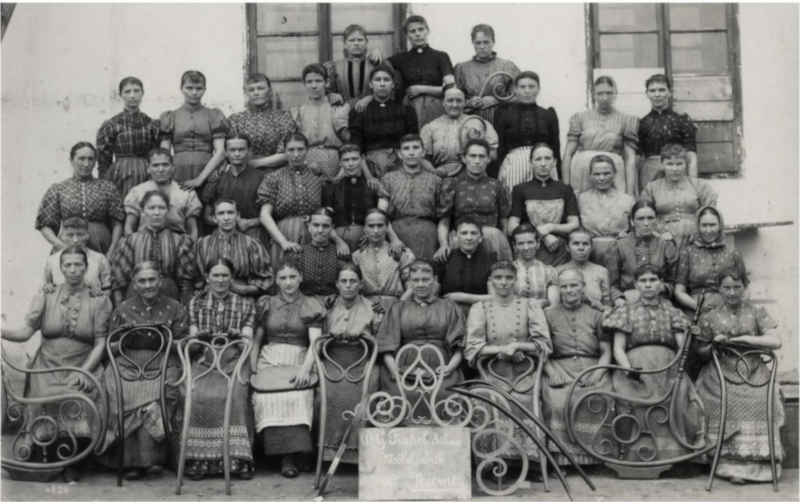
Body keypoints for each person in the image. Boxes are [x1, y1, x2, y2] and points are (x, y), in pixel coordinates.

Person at [1, 246, 111, 483]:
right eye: (67, 265)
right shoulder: (46, 295)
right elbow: (25, 332)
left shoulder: (99, 300)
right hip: (47, 363)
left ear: (86, 267)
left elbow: (100, 343)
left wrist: (84, 371)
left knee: (80, 396)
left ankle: (74, 462)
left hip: (83, 362)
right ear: (60, 268)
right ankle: (48, 456)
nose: (72, 270)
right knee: (44, 397)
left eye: (78, 264)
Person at [96, 262, 189, 480]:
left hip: (163, 361)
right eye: (142, 281)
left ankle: (151, 460)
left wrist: (166, 339)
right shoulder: (122, 310)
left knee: (161, 392)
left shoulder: (175, 307)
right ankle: (130, 462)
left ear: (160, 280)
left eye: (152, 280)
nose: (148, 285)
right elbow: (109, 347)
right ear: (135, 284)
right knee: (118, 390)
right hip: (128, 362)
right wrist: (125, 341)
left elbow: (184, 345)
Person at [603, 265, 705, 463]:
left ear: (660, 284)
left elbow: (681, 348)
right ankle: (636, 457)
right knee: (631, 402)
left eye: (653, 280)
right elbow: (618, 348)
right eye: (643, 281)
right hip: (635, 368)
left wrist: (689, 336)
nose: (648, 285)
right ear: (635, 285)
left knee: (677, 398)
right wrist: (628, 370)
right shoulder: (625, 312)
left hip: (667, 368)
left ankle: (671, 456)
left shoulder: (672, 312)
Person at [694, 267, 785, 484]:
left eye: (737, 287)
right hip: (721, 370)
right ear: (719, 289)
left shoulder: (757, 312)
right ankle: (727, 465)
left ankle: (760, 466)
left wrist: (742, 339)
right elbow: (701, 353)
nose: (732, 293)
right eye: (727, 288)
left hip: (754, 370)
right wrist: (714, 344)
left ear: (745, 287)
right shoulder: (710, 317)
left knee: (763, 398)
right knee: (719, 399)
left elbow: (775, 341)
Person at [174, 258, 256, 480]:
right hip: (205, 360)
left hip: (234, 359)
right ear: (207, 278)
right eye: (216, 275)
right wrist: (199, 338)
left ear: (231, 277)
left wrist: (237, 336)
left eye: (225, 275)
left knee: (236, 393)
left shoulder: (245, 304)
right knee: (194, 392)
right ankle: (199, 460)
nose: (220, 280)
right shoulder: (196, 303)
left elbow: (247, 344)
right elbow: (191, 343)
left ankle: (237, 461)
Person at [464, 261, 551, 461]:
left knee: (529, 400)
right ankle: (492, 462)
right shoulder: (480, 308)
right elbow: (473, 347)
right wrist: (502, 350)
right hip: (490, 372)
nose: (503, 282)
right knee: (483, 401)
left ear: (515, 280)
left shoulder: (530, 305)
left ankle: (531, 461)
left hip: (525, 371)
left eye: (509, 278)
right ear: (490, 281)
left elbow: (544, 343)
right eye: (498, 278)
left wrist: (519, 347)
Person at [250, 258, 326, 478]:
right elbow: (257, 340)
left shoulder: (311, 304)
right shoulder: (267, 303)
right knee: (266, 398)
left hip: (300, 358)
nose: (288, 282)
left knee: (300, 396)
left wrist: (304, 370)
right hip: (270, 359)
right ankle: (284, 456)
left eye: (292, 277)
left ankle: (301, 452)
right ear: (276, 280)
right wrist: (253, 368)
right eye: (283, 278)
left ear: (300, 277)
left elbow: (315, 343)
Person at [375, 260, 465, 423]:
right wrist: (393, 370)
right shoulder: (398, 308)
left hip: (442, 369)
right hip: (404, 369)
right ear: (409, 282)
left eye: (425, 279)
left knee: (445, 395)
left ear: (435, 280)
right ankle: (405, 445)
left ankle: (446, 445)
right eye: (415, 280)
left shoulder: (449, 307)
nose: (421, 284)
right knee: (398, 396)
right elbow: (386, 346)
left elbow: (460, 346)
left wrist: (449, 368)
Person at [541, 268, 615, 466]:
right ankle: (562, 460)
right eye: (564, 287)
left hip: (593, 366)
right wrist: (550, 372)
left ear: (583, 287)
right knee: (557, 402)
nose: (569, 290)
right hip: (559, 366)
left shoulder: (597, 315)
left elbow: (606, 351)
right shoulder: (547, 315)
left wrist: (599, 373)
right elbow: (542, 350)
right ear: (558, 290)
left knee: (601, 397)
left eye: (574, 285)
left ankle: (597, 459)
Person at [317, 263, 382, 464]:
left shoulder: (373, 308)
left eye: (353, 281)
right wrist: (330, 335)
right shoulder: (325, 307)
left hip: (363, 362)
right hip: (332, 362)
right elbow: (316, 338)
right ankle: (327, 453)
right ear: (336, 284)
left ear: (360, 283)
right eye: (343, 281)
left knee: (365, 391)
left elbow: (381, 340)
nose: (348, 286)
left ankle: (359, 454)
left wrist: (365, 336)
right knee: (326, 393)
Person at [257, 132, 350, 266]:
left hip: (314, 234)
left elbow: (326, 212)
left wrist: (337, 240)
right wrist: (283, 241)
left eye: (300, 149)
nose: (296, 155)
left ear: (307, 150)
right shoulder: (274, 177)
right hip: (284, 234)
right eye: (291, 150)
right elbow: (264, 215)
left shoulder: (317, 177)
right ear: (285, 151)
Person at [36, 141, 125, 256]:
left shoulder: (107, 187)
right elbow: (44, 224)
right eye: (81, 158)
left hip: (102, 247)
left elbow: (117, 223)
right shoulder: (58, 189)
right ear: (71, 161)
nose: (86, 164)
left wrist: (112, 250)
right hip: (68, 245)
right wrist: (61, 246)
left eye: (91, 159)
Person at [110, 191, 196, 307]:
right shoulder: (130, 241)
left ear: (167, 211)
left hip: (169, 299)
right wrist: (120, 311)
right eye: (151, 208)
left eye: (161, 208)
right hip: (135, 300)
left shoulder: (180, 241)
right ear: (142, 211)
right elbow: (119, 282)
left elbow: (186, 284)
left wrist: (183, 312)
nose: (156, 213)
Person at [436, 138, 512, 261]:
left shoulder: (497, 186)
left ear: (488, 159)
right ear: (464, 159)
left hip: (492, 241)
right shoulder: (452, 185)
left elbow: (504, 224)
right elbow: (444, 222)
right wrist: (444, 244)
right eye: (472, 156)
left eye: (482, 156)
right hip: (461, 241)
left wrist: (505, 246)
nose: (477, 161)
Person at [562, 76, 638, 195]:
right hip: (582, 172)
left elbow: (630, 158)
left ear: (615, 93)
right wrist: (565, 188)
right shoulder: (580, 117)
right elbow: (568, 154)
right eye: (600, 93)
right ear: (593, 94)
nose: (605, 98)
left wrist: (630, 191)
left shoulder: (627, 120)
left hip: (613, 173)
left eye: (609, 93)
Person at [321, 144, 403, 253]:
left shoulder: (372, 187)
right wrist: (338, 242)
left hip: (369, 240)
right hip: (339, 240)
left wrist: (387, 237)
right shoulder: (331, 188)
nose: (351, 164)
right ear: (340, 162)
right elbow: (326, 219)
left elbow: (382, 216)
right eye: (346, 160)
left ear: (362, 159)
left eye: (355, 159)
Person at [508, 143, 579, 266]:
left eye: (547, 158)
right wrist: (541, 236)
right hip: (530, 248)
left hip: (559, 250)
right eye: (538, 159)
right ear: (530, 163)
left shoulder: (565, 189)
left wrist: (551, 227)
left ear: (555, 162)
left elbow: (574, 225)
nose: (543, 164)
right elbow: (511, 227)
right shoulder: (520, 189)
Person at [641, 143, 718, 253]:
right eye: (669, 164)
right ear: (662, 165)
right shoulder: (652, 188)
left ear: (685, 164)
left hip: (694, 237)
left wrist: (699, 233)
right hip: (663, 239)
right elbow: (643, 217)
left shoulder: (699, 186)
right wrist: (658, 235)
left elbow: (710, 214)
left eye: (679, 164)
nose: (675, 169)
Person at [159, 71, 229, 190]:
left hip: (209, 172)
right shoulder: (170, 117)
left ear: (204, 89)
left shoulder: (214, 115)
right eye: (189, 88)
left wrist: (200, 179)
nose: (194, 93)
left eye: (199, 88)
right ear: (181, 89)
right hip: (178, 172)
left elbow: (221, 152)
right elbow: (164, 153)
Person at [377, 134, 443, 261]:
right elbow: (381, 214)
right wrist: (393, 238)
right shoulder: (389, 179)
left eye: (416, 148)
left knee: (428, 271)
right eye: (406, 148)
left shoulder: (436, 180)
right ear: (400, 154)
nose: (411, 152)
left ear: (423, 152)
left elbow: (443, 217)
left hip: (428, 234)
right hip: (397, 232)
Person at [349, 64, 420, 179]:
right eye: (377, 80)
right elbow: (356, 147)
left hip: (401, 166)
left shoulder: (404, 111)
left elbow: (412, 143)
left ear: (393, 84)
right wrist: (369, 177)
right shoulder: (360, 112)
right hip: (369, 168)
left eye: (386, 80)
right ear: (371, 84)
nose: (382, 84)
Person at [96, 77, 162, 199]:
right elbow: (104, 159)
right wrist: (103, 184)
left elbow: (156, 153)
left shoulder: (152, 123)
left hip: (146, 173)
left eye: (136, 91)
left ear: (143, 93)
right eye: (127, 91)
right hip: (120, 173)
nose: (132, 96)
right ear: (120, 95)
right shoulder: (112, 124)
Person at [201, 133, 270, 249]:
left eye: (241, 149)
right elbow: (206, 217)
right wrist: (227, 223)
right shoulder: (217, 180)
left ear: (248, 151)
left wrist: (249, 223)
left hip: (252, 230)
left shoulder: (262, 178)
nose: (237, 154)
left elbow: (272, 214)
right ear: (226, 153)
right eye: (232, 150)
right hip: (223, 231)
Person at [675, 206, 746, 315]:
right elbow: (679, 291)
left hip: (729, 310)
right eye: (704, 225)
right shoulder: (687, 253)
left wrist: (732, 305)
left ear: (720, 226)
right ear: (698, 226)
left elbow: (746, 289)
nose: (708, 230)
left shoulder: (733, 253)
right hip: (696, 311)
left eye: (712, 225)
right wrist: (697, 306)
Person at [195, 199, 273, 298]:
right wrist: (200, 290)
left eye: (230, 213)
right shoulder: (202, 244)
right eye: (221, 213)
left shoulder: (251, 244)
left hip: (242, 300)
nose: (226, 218)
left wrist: (243, 290)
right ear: (214, 218)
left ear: (238, 216)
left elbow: (265, 281)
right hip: (210, 299)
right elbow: (195, 280)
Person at [387, 15, 455, 128]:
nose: (417, 34)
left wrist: (422, 89)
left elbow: (450, 87)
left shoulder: (441, 56)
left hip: (436, 108)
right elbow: (381, 68)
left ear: (427, 31)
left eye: (421, 29)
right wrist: (375, 52)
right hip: (410, 109)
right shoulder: (401, 58)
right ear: (407, 35)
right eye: (412, 31)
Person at [605, 200, 679, 305]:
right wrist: (618, 298)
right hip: (629, 300)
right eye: (640, 219)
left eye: (650, 218)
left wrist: (657, 287)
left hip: (658, 300)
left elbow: (672, 282)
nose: (646, 223)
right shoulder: (619, 246)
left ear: (657, 220)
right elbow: (613, 284)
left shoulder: (666, 246)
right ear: (632, 221)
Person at [496, 72, 561, 192]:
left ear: (538, 89)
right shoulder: (505, 115)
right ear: (516, 89)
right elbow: (501, 148)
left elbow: (555, 147)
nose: (527, 91)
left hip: (544, 164)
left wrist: (560, 178)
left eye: (531, 87)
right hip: (515, 166)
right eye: (522, 87)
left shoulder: (548, 114)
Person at [123, 148, 202, 241]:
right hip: (144, 242)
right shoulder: (138, 192)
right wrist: (135, 246)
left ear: (173, 167)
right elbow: (129, 228)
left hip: (177, 245)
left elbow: (192, 230)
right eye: (155, 165)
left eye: (165, 165)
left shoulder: (186, 193)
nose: (160, 170)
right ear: (148, 168)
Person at [420, 84, 499, 176]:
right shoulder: (430, 127)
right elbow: (423, 158)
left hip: (474, 178)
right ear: (443, 102)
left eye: (459, 100)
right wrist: (434, 171)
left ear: (465, 102)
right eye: (450, 100)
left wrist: (473, 153)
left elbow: (493, 154)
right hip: (442, 177)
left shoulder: (478, 123)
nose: (454, 105)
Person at [290, 64, 351, 180]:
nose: (314, 86)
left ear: (327, 83)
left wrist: (341, 174)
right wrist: (306, 162)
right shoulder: (299, 112)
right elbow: (292, 146)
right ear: (304, 84)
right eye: (309, 82)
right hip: (306, 165)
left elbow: (349, 144)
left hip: (336, 165)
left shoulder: (338, 109)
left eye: (318, 81)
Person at [638, 74, 698, 192]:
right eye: (652, 91)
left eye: (662, 90)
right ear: (647, 94)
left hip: (677, 170)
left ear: (669, 92)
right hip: (650, 174)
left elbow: (691, 159)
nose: (657, 94)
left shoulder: (682, 120)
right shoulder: (641, 123)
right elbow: (635, 161)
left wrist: (693, 187)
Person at [228, 74, 297, 175]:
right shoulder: (236, 119)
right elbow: (231, 151)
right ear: (246, 93)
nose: (256, 93)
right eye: (251, 90)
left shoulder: (283, 117)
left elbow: (287, 152)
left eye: (260, 88)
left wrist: (255, 163)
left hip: (276, 174)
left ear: (270, 91)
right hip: (243, 174)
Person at [453, 24, 520, 126]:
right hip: (469, 123)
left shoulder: (506, 66)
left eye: (486, 42)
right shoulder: (461, 68)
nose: (482, 47)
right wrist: (469, 102)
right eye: (478, 43)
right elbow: (452, 99)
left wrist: (497, 100)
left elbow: (518, 98)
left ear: (493, 42)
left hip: (500, 122)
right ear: (473, 43)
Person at [351, 208, 416, 311]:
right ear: (364, 229)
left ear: (386, 227)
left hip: (396, 307)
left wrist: (396, 307)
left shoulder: (400, 252)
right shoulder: (357, 257)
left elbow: (412, 287)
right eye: (371, 226)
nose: (376, 231)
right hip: (365, 308)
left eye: (380, 226)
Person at [578, 155, 636, 266]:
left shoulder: (627, 200)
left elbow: (636, 229)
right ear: (590, 176)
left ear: (614, 174)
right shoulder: (581, 199)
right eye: (596, 174)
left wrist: (628, 235)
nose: (601, 178)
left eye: (606, 173)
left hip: (621, 253)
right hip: (591, 254)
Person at [438, 215, 497, 316]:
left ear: (480, 237)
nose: (469, 238)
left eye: (473, 233)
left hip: (482, 314)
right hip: (449, 314)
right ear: (455, 236)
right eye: (464, 233)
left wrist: (461, 297)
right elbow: (434, 296)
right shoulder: (445, 258)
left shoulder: (489, 259)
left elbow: (494, 297)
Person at [287, 208, 349, 298]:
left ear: (332, 228)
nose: (320, 230)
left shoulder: (340, 253)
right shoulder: (297, 253)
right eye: (316, 225)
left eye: (325, 226)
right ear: (309, 227)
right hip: (304, 305)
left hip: (335, 304)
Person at [324, 24, 390, 109]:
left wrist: (372, 97)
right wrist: (330, 94)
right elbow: (326, 91)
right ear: (344, 44)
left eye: (360, 40)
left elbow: (389, 90)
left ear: (366, 42)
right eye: (351, 40)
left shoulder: (377, 64)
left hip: (373, 111)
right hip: (345, 114)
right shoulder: (335, 67)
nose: (356, 44)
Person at [44, 216, 112, 295]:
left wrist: (101, 293)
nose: (75, 240)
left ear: (87, 234)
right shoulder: (52, 260)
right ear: (62, 236)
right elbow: (43, 288)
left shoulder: (100, 259)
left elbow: (108, 291)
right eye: (70, 235)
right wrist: (47, 288)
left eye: (80, 234)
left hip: (90, 305)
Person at [556, 228, 612, 311]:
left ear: (591, 247)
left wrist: (602, 308)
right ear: (567, 247)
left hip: (594, 318)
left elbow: (608, 304)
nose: (581, 248)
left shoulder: (602, 271)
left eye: (585, 244)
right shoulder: (556, 271)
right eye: (576, 243)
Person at [511, 224, 560, 308]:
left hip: (542, 317)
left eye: (530, 242)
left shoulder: (548, 271)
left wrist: (544, 303)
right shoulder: (507, 270)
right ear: (514, 246)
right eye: (520, 243)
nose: (526, 248)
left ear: (538, 244)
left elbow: (554, 306)